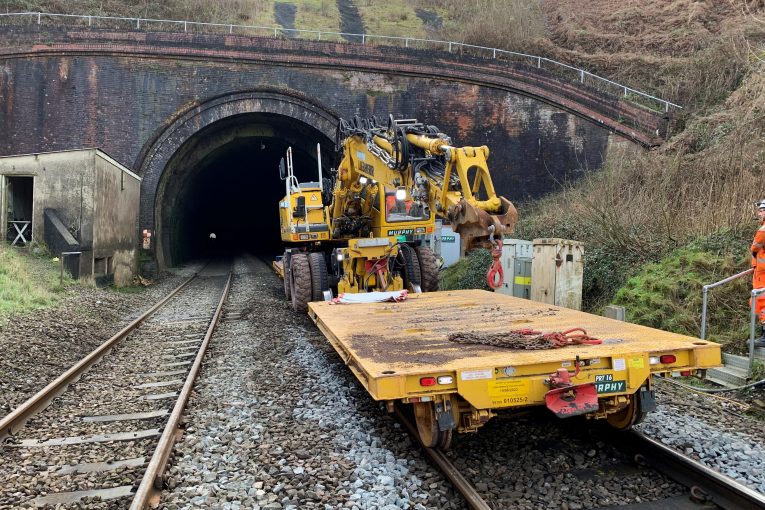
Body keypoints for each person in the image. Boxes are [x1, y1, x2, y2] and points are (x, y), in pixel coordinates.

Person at [751, 200, 765, 347]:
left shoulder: (763, 230)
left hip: (763, 273)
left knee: (762, 302)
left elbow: (754, 248)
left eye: (761, 210)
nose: (759, 213)